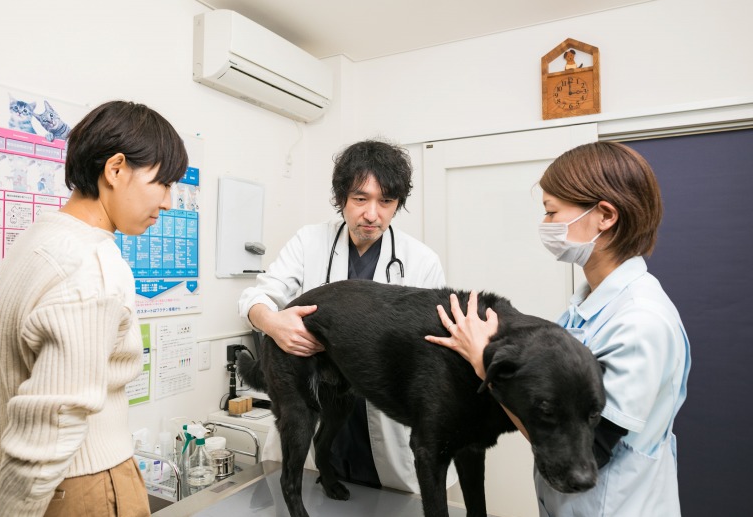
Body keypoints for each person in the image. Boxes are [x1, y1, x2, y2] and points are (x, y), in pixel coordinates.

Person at [426, 141, 691, 516]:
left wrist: (485, 363)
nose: (546, 225)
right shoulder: (583, 307)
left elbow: (590, 451)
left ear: (605, 215)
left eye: (552, 212)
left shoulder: (640, 321)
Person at [0, 101, 189, 517]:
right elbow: (56, 418)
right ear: (116, 169)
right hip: (82, 486)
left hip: (19, 479)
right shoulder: (92, 263)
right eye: (163, 183)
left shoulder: (32, 242)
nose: (169, 202)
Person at [238, 139, 456, 493]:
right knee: (306, 490)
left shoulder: (421, 261)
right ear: (341, 198)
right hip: (315, 402)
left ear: (397, 204)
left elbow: (438, 343)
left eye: (385, 201)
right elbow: (256, 295)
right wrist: (271, 322)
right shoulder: (309, 242)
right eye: (360, 199)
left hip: (383, 423)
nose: (372, 214)